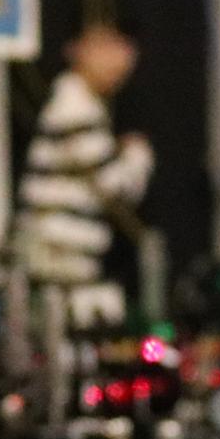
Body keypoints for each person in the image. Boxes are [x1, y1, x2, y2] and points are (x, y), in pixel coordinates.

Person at [19, 23, 153, 343]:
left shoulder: (78, 106)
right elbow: (113, 186)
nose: (117, 79)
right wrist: (138, 157)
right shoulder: (76, 107)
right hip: (58, 252)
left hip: (68, 254)